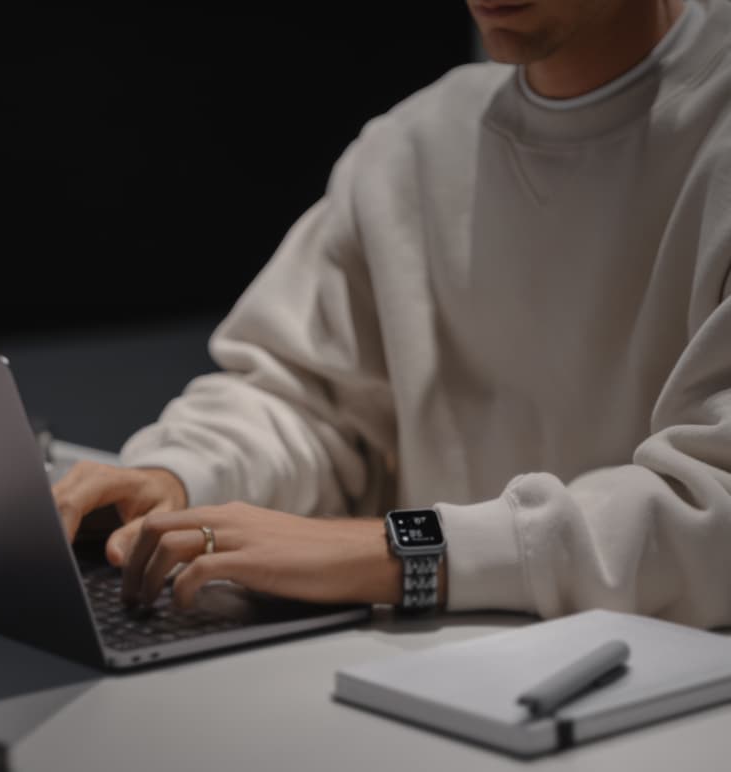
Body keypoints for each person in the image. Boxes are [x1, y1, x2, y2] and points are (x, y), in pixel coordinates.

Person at [53, 0, 731, 628]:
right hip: (425, 661)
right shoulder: (413, 145)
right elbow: (305, 397)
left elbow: (716, 509)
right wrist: (182, 475)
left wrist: (394, 554)